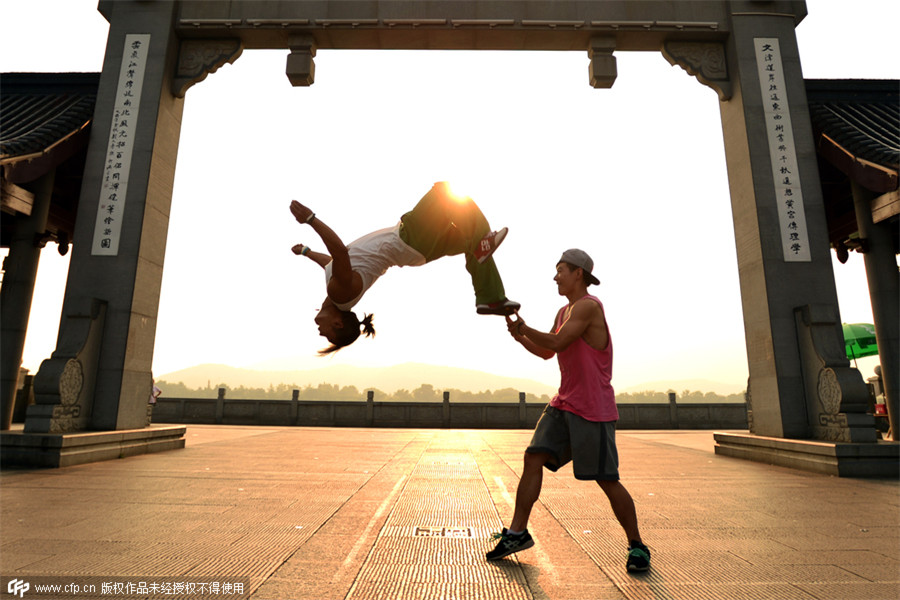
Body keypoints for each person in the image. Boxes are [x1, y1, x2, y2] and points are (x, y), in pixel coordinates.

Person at [486, 248, 650, 573]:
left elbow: (559, 342)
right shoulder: (564, 311)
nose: (555, 276)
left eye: (561, 270)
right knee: (533, 457)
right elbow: (549, 351)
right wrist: (521, 337)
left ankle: (637, 545)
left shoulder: (589, 306)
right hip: (565, 403)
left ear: (579, 274)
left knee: (606, 479)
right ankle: (517, 533)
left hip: (593, 409)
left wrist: (525, 327)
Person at [290, 181, 520, 354]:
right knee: (443, 192)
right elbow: (339, 253)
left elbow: (328, 263)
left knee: (474, 247)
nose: (320, 332)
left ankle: (490, 298)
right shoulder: (339, 293)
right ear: (338, 323)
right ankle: (483, 239)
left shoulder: (338, 290)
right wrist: (311, 219)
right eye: (327, 334)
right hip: (408, 239)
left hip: (419, 253)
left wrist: (306, 252)